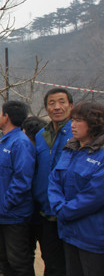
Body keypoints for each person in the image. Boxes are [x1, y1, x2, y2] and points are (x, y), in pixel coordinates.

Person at [48, 102, 104, 276]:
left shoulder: (100, 154)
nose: (73, 124)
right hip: (69, 232)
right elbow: (54, 180)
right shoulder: (71, 148)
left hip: (93, 236)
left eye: (79, 120)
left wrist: (65, 211)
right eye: (72, 120)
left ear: (94, 123)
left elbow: (94, 195)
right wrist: (58, 206)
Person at [0, 101, 35, 276]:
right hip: (0, 213)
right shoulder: (6, 141)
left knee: (18, 261)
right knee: (3, 259)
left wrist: (7, 204)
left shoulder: (20, 143)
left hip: (13, 215)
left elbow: (22, 180)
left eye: (0, 113)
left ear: (6, 116)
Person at [32, 88, 74, 276]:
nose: (57, 107)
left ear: (70, 106)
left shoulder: (77, 133)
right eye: (51, 103)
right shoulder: (41, 135)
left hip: (70, 212)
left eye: (62, 102)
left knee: (71, 265)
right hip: (46, 212)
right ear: (46, 108)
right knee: (51, 261)